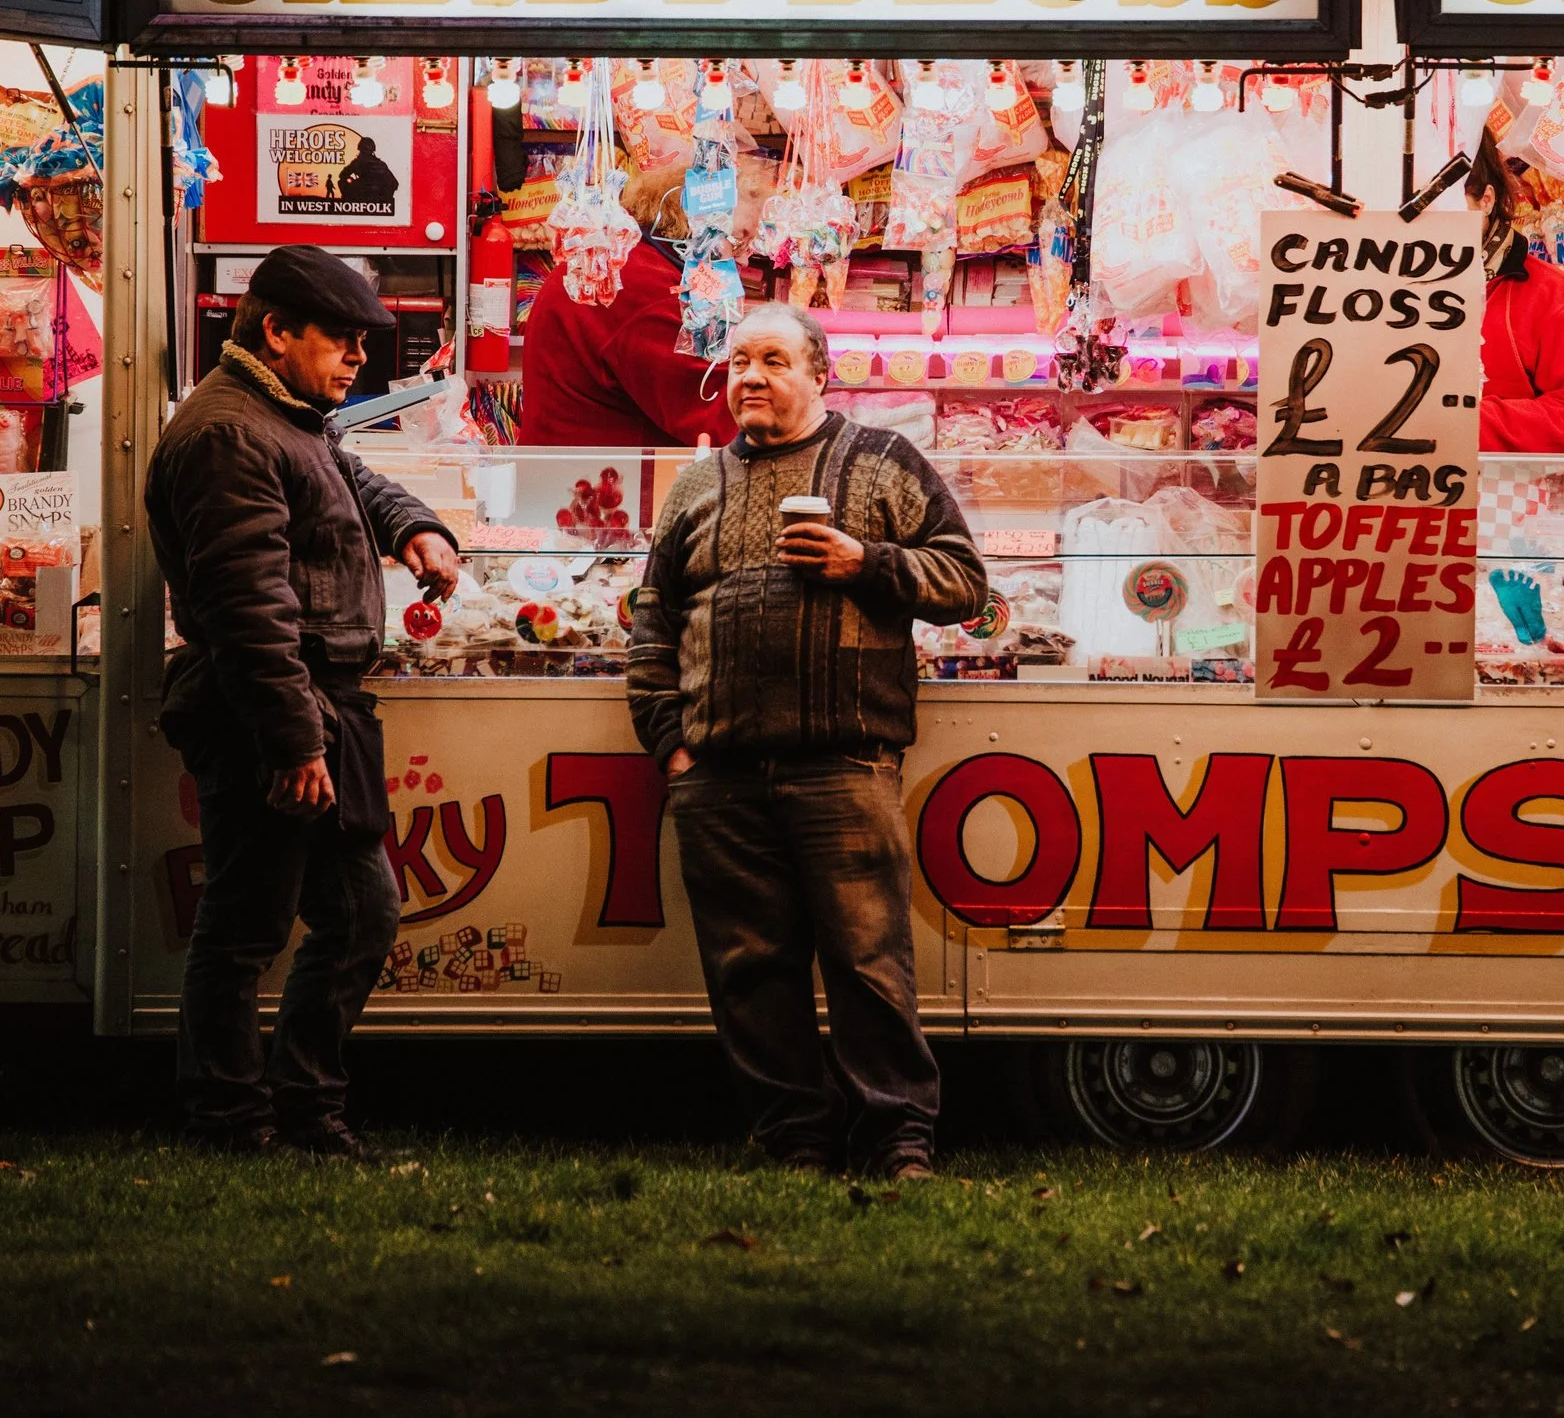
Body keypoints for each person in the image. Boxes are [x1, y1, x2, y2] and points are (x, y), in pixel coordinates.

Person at [626, 303, 987, 1180]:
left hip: (843, 764)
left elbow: (966, 581)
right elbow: (653, 617)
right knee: (750, 972)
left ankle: (899, 1139)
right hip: (719, 774)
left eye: (773, 359)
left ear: (818, 373)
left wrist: (867, 563)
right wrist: (671, 743)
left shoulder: (883, 462)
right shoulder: (695, 483)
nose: (751, 376)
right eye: (740, 360)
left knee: (869, 967)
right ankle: (795, 1139)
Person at [146, 245, 461, 1158]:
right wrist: (293, 745)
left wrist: (415, 528)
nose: (360, 357)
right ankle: (233, 1121)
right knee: (246, 929)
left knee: (360, 915)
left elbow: (348, 476)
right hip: (268, 716)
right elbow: (249, 608)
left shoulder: (288, 415)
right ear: (276, 331)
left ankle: (306, 1113)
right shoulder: (225, 434)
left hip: (316, 712)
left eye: (366, 341)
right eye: (343, 338)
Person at [519, 157, 774, 448]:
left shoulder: (629, 261)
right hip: (600, 482)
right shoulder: (644, 287)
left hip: (575, 474)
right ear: (694, 224)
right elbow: (713, 412)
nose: (742, 259)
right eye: (739, 241)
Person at [1470, 133, 1564, 454]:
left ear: (1486, 201)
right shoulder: (1390, 284)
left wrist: (1462, 421)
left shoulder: (1551, 293)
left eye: (1448, 207)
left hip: (1504, 494)